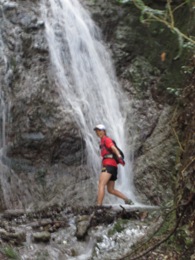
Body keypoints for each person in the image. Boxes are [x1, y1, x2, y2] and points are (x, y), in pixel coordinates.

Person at [94, 124, 133, 206]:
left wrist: (120, 158)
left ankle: (98, 206)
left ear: (104, 131)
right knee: (110, 190)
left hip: (109, 165)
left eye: (100, 130)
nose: (98, 132)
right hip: (113, 167)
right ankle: (127, 200)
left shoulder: (106, 140)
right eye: (97, 131)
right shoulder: (102, 142)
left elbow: (114, 148)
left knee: (101, 184)